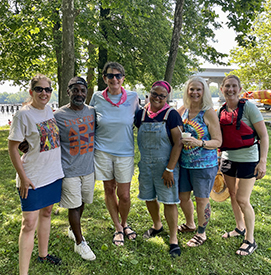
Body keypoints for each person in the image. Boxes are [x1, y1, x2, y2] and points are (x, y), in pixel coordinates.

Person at [8, 74, 64, 275]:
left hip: (52, 174)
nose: (44, 93)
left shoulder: (49, 110)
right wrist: (23, 177)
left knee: (47, 213)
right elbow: (12, 148)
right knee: (28, 223)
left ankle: (43, 254)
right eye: (39, 89)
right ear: (31, 92)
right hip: (31, 177)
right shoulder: (23, 115)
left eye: (48, 90)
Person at [90, 62, 140, 246]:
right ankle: (118, 227)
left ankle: (125, 223)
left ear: (123, 78)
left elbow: (145, 119)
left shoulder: (133, 97)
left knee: (125, 194)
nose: (114, 79)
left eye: (118, 75)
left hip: (125, 152)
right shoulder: (97, 98)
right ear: (104, 78)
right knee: (109, 189)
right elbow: (88, 121)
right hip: (102, 151)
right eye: (110, 76)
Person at [219, 75, 269, 256]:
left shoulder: (249, 107)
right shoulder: (221, 110)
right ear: (222, 89)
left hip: (248, 158)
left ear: (239, 89)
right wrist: (219, 159)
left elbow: (264, 136)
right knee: (232, 195)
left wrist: (262, 161)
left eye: (234, 86)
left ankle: (250, 239)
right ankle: (239, 227)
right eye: (227, 86)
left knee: (242, 199)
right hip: (227, 158)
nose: (230, 90)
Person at [135, 80, 183, 257]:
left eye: (162, 96)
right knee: (148, 196)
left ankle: (173, 239)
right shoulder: (140, 115)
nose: (157, 98)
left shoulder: (171, 115)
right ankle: (157, 225)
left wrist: (169, 169)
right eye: (154, 94)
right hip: (146, 164)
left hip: (166, 166)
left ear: (167, 97)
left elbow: (178, 143)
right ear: (149, 93)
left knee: (169, 201)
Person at [54, 76, 96, 261]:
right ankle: (80, 243)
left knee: (82, 202)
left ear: (87, 93)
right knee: (73, 205)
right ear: (68, 91)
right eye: (75, 90)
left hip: (88, 168)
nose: (79, 94)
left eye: (82, 90)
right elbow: (45, 135)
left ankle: (72, 229)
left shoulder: (93, 112)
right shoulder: (58, 116)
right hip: (69, 168)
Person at [177, 76, 222, 247]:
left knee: (201, 199)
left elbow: (218, 141)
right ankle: (190, 224)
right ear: (187, 91)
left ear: (204, 92)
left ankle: (201, 233)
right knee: (183, 197)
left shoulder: (208, 112)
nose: (195, 92)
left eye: (198, 89)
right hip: (185, 163)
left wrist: (200, 143)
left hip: (204, 165)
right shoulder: (183, 110)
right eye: (192, 89)